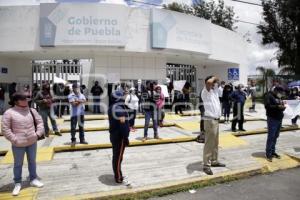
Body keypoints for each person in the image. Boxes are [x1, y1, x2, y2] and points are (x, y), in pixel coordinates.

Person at [1, 92, 44, 196]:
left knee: (32, 161)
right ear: (16, 101)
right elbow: (5, 129)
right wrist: (14, 139)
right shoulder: (9, 112)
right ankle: (17, 182)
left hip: (32, 142)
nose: (26, 101)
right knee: (18, 164)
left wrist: (37, 134)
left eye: (27, 99)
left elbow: (40, 122)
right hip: (18, 144)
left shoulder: (32, 111)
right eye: (23, 99)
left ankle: (33, 178)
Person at [201, 76, 225, 175]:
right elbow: (209, 82)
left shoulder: (214, 91)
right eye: (213, 82)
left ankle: (214, 160)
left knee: (215, 142)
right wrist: (214, 77)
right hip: (210, 120)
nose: (214, 83)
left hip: (216, 120)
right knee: (209, 143)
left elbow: (218, 83)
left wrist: (216, 80)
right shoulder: (205, 91)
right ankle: (206, 164)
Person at [108, 90, 131, 186]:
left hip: (114, 135)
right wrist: (126, 137)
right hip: (119, 136)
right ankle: (118, 178)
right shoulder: (118, 108)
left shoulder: (113, 106)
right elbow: (123, 125)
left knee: (117, 157)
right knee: (118, 158)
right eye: (123, 96)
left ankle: (118, 174)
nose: (125, 97)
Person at [264, 86, 286, 162]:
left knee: (276, 136)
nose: (281, 94)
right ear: (276, 91)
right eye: (280, 92)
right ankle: (268, 153)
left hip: (279, 118)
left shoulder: (279, 97)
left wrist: (283, 106)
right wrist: (277, 106)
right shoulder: (269, 96)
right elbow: (267, 106)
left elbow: (281, 105)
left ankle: (273, 152)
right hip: (272, 119)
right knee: (271, 136)